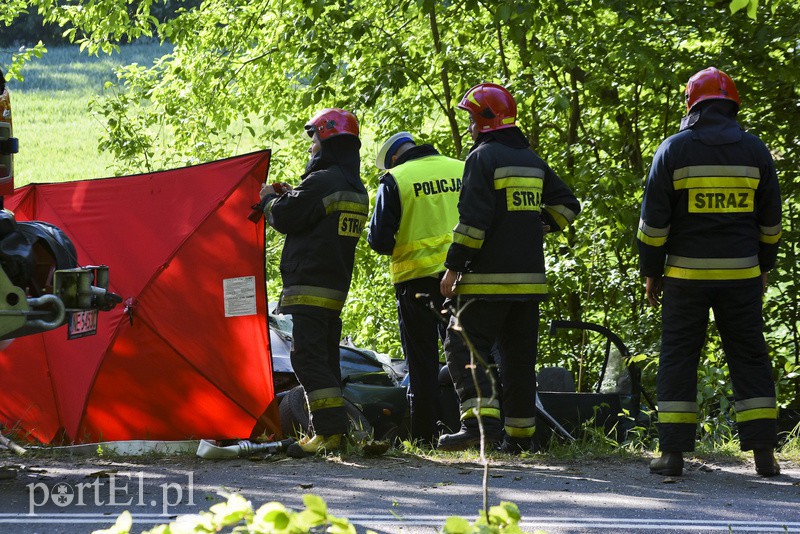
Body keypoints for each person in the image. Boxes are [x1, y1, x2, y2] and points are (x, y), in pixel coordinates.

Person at [637, 67, 782, 477]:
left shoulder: (673, 150)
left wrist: (652, 272)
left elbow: (653, 227)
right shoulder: (756, 151)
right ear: (732, 105)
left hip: (685, 278)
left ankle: (672, 455)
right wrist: (763, 266)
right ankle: (764, 454)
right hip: (742, 276)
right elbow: (772, 223)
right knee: (750, 357)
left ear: (692, 106)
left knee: (680, 356)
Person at [438, 83, 580, 453]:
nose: (468, 126)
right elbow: (568, 204)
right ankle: (520, 439)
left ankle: (478, 429)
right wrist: (543, 222)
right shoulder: (531, 160)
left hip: (486, 281)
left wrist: (453, 268)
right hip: (528, 283)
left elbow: (473, 224)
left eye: (470, 118)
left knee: (464, 347)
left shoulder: (482, 158)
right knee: (518, 361)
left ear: (486, 120)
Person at [260, 108, 369, 458]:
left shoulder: (322, 182)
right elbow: (313, 214)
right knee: (325, 359)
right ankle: (335, 432)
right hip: (334, 287)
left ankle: (326, 433)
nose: (311, 148)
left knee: (307, 360)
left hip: (309, 285)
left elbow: (286, 215)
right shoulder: (353, 186)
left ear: (327, 140)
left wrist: (267, 199)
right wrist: (294, 193)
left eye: (315, 139)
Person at [367, 131, 464, 445]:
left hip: (417, 284)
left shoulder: (396, 179)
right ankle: (480, 432)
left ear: (394, 159)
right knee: (469, 359)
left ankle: (425, 437)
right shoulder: (462, 168)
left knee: (422, 364)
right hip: (466, 278)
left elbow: (379, 240)